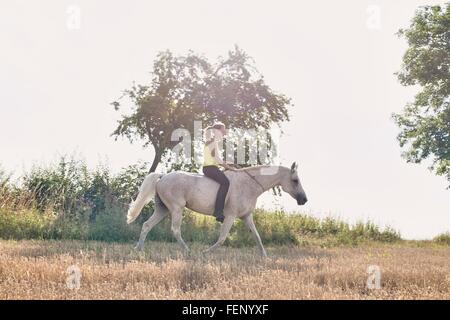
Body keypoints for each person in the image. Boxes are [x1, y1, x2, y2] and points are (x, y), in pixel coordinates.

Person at [202, 122, 235, 223]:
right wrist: (227, 166)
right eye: (222, 130)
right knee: (226, 182)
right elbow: (216, 159)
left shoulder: (213, 141)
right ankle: (218, 212)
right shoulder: (211, 141)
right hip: (209, 168)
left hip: (212, 167)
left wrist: (227, 165)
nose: (224, 132)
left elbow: (218, 159)